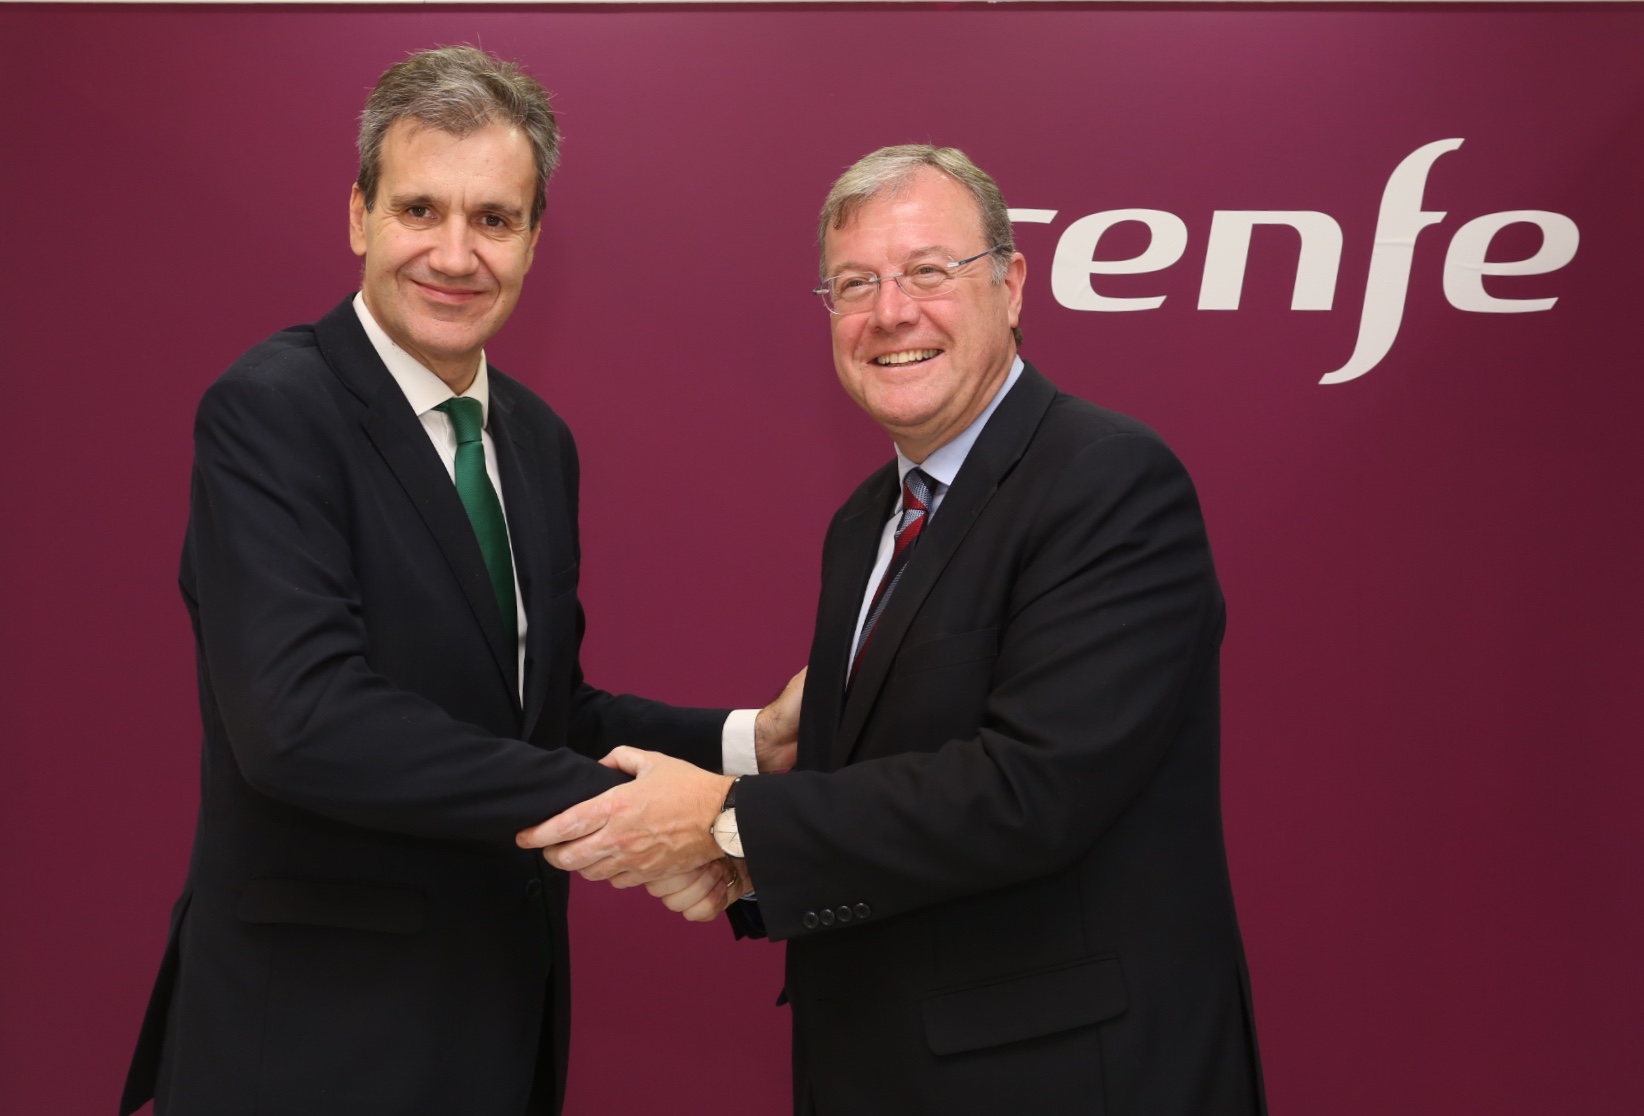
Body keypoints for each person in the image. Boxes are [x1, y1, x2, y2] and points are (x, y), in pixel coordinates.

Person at [119, 46, 797, 1116]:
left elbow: (536, 716)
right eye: (419, 209)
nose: (454, 253)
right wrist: (637, 814)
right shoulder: (272, 409)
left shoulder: (536, 440)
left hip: (495, 1023)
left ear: (533, 239)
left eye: (493, 219)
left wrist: (748, 744)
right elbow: (302, 721)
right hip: (311, 1044)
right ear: (359, 215)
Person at [519, 145, 1266, 1115]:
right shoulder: (866, 521)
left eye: (928, 271)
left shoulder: (1107, 480)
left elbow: (1030, 791)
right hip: (884, 1068)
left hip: (1068, 1079)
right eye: (855, 284)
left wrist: (724, 820)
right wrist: (738, 860)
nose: (891, 312)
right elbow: (867, 788)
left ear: (1011, 285)